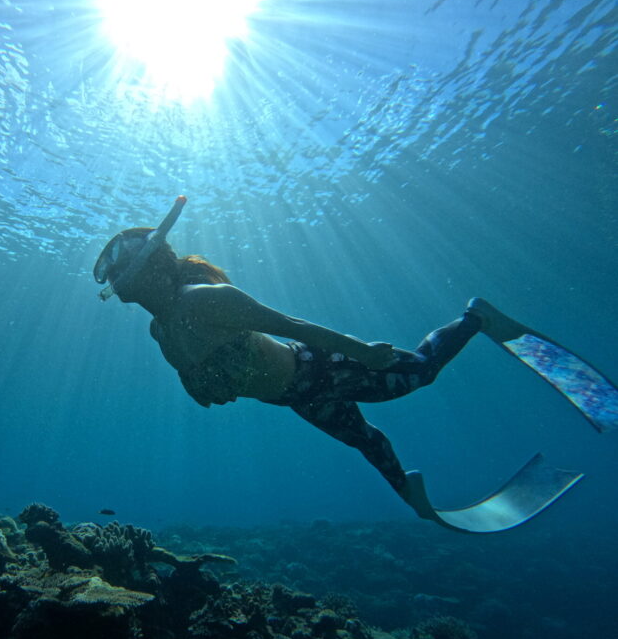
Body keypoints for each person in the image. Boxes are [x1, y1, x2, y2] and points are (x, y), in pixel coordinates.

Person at [94, 198, 612, 527]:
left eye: (123, 275)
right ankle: (411, 496)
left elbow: (291, 325)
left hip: (321, 368)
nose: (118, 286)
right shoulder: (161, 330)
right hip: (298, 397)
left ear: (154, 268)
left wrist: (361, 351)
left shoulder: (205, 301)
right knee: (364, 440)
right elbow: (193, 376)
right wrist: (203, 388)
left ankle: (476, 318)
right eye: (115, 280)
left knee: (419, 374)